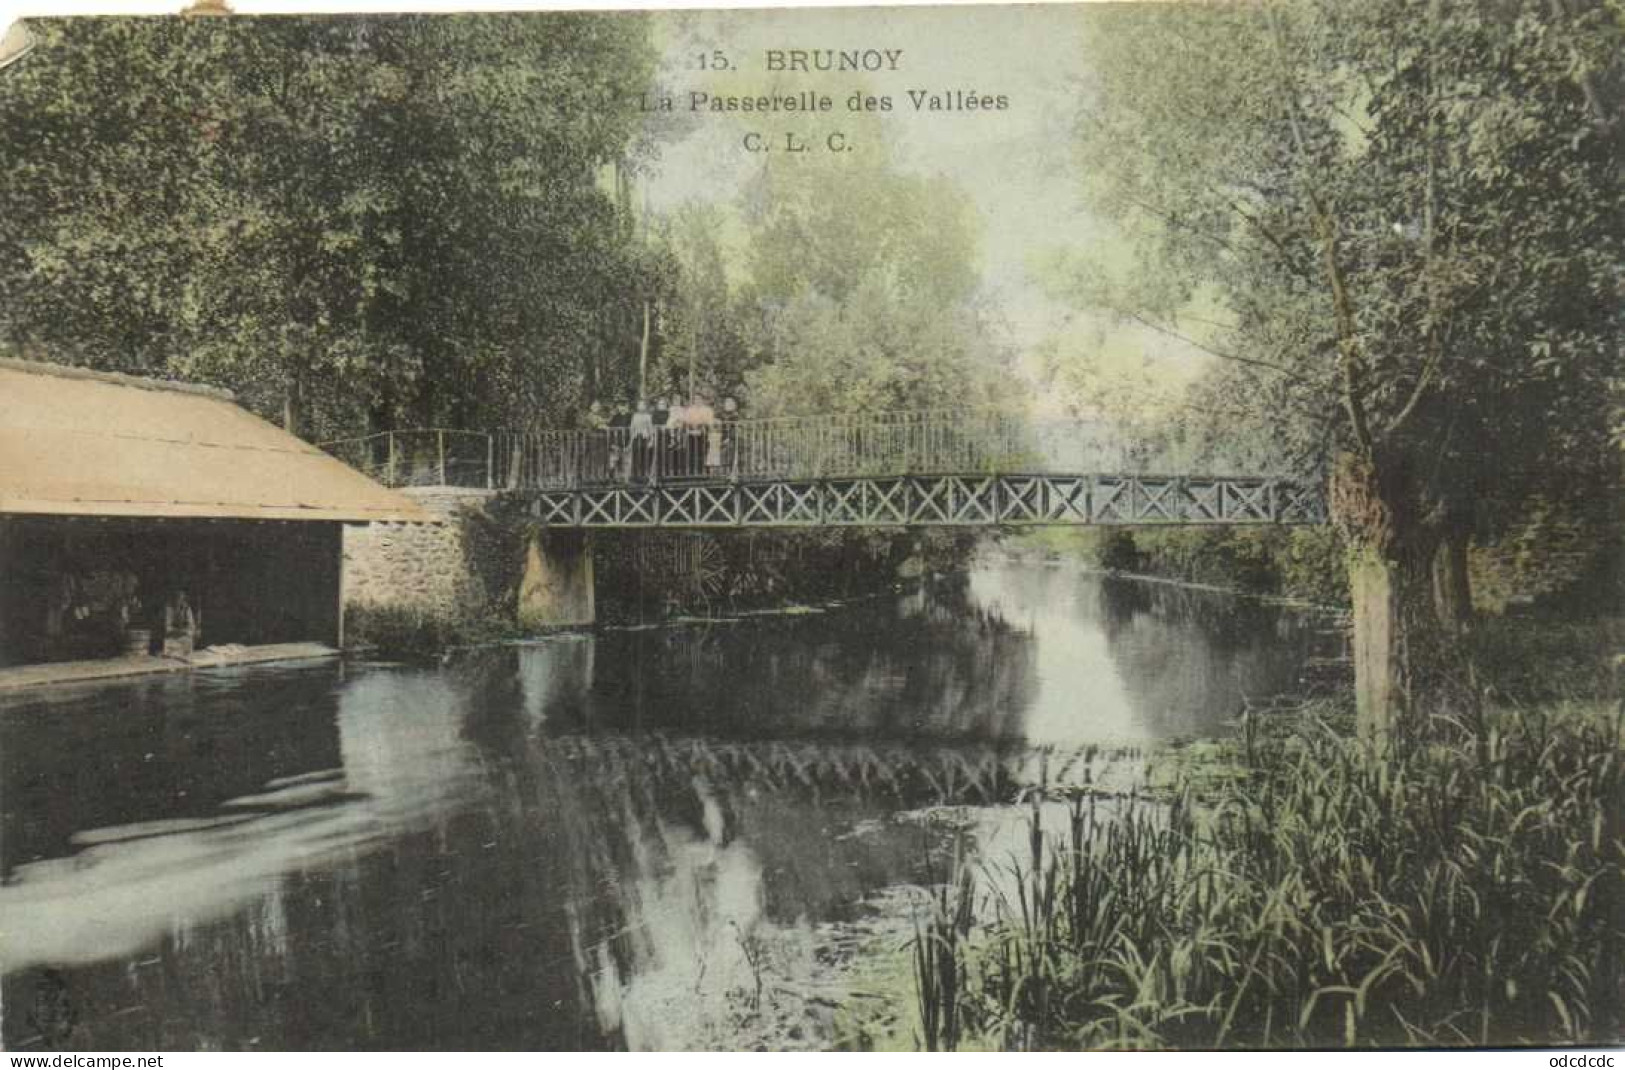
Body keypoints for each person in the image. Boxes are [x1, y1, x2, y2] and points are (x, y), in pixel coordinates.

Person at [687, 394, 718, 475]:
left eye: (699, 399)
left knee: (703, 453)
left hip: (704, 433)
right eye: (695, 399)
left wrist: (701, 426)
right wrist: (692, 429)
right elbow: (687, 421)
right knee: (692, 453)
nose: (697, 401)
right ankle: (692, 472)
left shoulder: (707, 410)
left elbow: (710, 422)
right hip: (692, 433)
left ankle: (704, 472)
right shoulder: (690, 409)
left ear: (702, 400)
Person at [664, 393, 690, 479]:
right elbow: (670, 419)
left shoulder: (682, 409)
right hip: (672, 427)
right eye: (675, 400)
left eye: (678, 400)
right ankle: (671, 471)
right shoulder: (671, 409)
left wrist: (679, 422)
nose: (677, 401)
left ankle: (681, 471)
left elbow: (683, 419)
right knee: (672, 451)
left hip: (680, 429)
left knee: (680, 451)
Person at [629, 400, 655, 483]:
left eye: (643, 405)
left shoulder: (648, 416)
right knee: (636, 456)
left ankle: (644, 476)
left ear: (645, 407)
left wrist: (651, 440)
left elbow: (651, 428)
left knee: (645, 457)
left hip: (645, 437)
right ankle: (635, 476)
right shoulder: (635, 416)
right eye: (639, 405)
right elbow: (632, 428)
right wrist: (631, 440)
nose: (641, 407)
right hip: (636, 437)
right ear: (637, 407)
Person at [608, 400, 632, 482]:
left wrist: (630, 444)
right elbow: (610, 431)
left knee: (627, 463)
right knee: (613, 462)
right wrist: (612, 444)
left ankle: (626, 481)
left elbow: (634, 431)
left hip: (627, 444)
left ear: (627, 407)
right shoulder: (615, 418)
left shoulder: (631, 417)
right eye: (621, 406)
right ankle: (614, 480)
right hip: (616, 444)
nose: (622, 408)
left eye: (624, 406)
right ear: (618, 407)